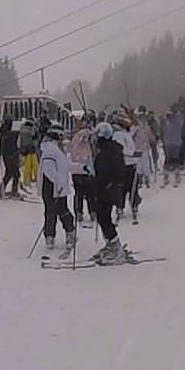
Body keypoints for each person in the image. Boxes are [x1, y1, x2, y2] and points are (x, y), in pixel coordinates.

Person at [91, 122, 127, 264]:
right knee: (103, 216)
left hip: (107, 190)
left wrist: (101, 184)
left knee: (103, 217)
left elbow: (109, 172)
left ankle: (115, 246)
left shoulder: (107, 152)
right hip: (110, 189)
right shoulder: (111, 149)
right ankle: (111, 243)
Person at [39, 123, 76, 251]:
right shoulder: (51, 149)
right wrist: (58, 182)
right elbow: (48, 169)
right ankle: (56, 235)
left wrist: (82, 169)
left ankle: (55, 235)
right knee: (57, 211)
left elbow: (64, 166)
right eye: (62, 136)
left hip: (56, 186)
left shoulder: (55, 149)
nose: (64, 139)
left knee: (58, 210)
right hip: (52, 187)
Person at [66, 116, 96, 223]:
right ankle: (79, 212)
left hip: (87, 166)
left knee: (90, 192)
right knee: (80, 192)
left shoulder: (89, 134)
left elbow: (94, 142)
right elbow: (71, 148)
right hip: (79, 167)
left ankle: (91, 211)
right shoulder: (78, 135)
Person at [111, 111, 138, 220]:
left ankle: (134, 204)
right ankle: (120, 206)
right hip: (124, 164)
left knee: (133, 186)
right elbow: (120, 149)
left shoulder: (125, 133)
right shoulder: (118, 134)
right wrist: (132, 153)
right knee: (122, 187)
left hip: (131, 163)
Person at [0, 116, 20, 199]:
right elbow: (13, 146)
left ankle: (3, 190)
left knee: (11, 173)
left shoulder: (5, 134)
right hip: (11, 156)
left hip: (7, 156)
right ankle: (9, 191)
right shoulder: (11, 135)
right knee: (13, 174)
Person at [161, 106, 184, 188]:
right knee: (168, 159)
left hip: (176, 143)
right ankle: (166, 177)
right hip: (168, 143)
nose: (168, 117)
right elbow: (163, 131)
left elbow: (180, 120)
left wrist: (176, 112)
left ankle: (177, 176)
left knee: (175, 160)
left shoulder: (177, 122)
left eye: (170, 115)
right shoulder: (166, 123)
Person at [132, 111, 154, 190]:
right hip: (137, 149)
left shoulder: (147, 128)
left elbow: (151, 137)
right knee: (138, 165)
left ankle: (147, 180)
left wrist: (153, 139)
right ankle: (139, 181)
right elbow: (131, 136)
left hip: (145, 149)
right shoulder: (134, 128)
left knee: (146, 165)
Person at [18, 119, 39, 189]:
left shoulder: (21, 130)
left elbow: (19, 142)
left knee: (26, 167)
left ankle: (26, 181)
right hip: (31, 150)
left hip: (24, 151)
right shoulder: (31, 130)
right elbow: (35, 138)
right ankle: (37, 180)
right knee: (35, 166)